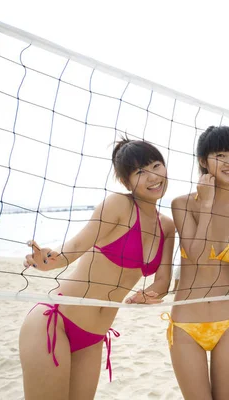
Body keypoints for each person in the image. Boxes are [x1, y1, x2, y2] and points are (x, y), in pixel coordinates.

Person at [20, 138, 175, 399]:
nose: (152, 177)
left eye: (156, 166)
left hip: (92, 338)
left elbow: (163, 282)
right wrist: (47, 262)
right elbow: (76, 247)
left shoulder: (167, 226)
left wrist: (148, 295)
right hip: (55, 321)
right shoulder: (119, 205)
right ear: (126, 182)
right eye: (140, 172)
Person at [165, 126, 229, 400]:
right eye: (221, 155)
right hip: (187, 325)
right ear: (203, 161)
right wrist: (208, 204)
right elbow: (198, 256)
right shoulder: (182, 204)